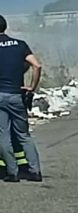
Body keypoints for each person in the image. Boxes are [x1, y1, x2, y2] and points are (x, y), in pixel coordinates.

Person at [0, 14, 43, 183]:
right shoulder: (20, 45)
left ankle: (12, 173)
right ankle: (35, 171)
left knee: (3, 135)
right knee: (24, 135)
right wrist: (31, 87)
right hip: (16, 95)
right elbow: (37, 65)